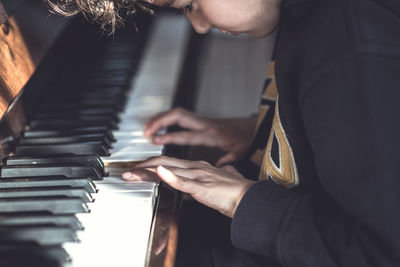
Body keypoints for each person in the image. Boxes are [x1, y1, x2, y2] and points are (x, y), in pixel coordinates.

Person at [47, 0, 400, 266]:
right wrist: (263, 133)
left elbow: (384, 250)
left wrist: (241, 200)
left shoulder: (351, 48)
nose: (199, 26)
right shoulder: (315, 21)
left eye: (189, 5)